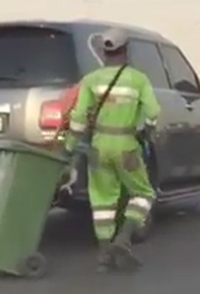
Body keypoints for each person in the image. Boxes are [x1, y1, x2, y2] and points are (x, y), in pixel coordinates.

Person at [65, 28, 161, 272]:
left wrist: (69, 147)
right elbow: (153, 112)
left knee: (102, 202)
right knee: (143, 193)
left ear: (104, 52)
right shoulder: (138, 79)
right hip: (127, 147)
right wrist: (147, 129)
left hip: (98, 148)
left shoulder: (91, 80)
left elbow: (78, 117)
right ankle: (124, 239)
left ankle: (104, 255)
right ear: (126, 50)